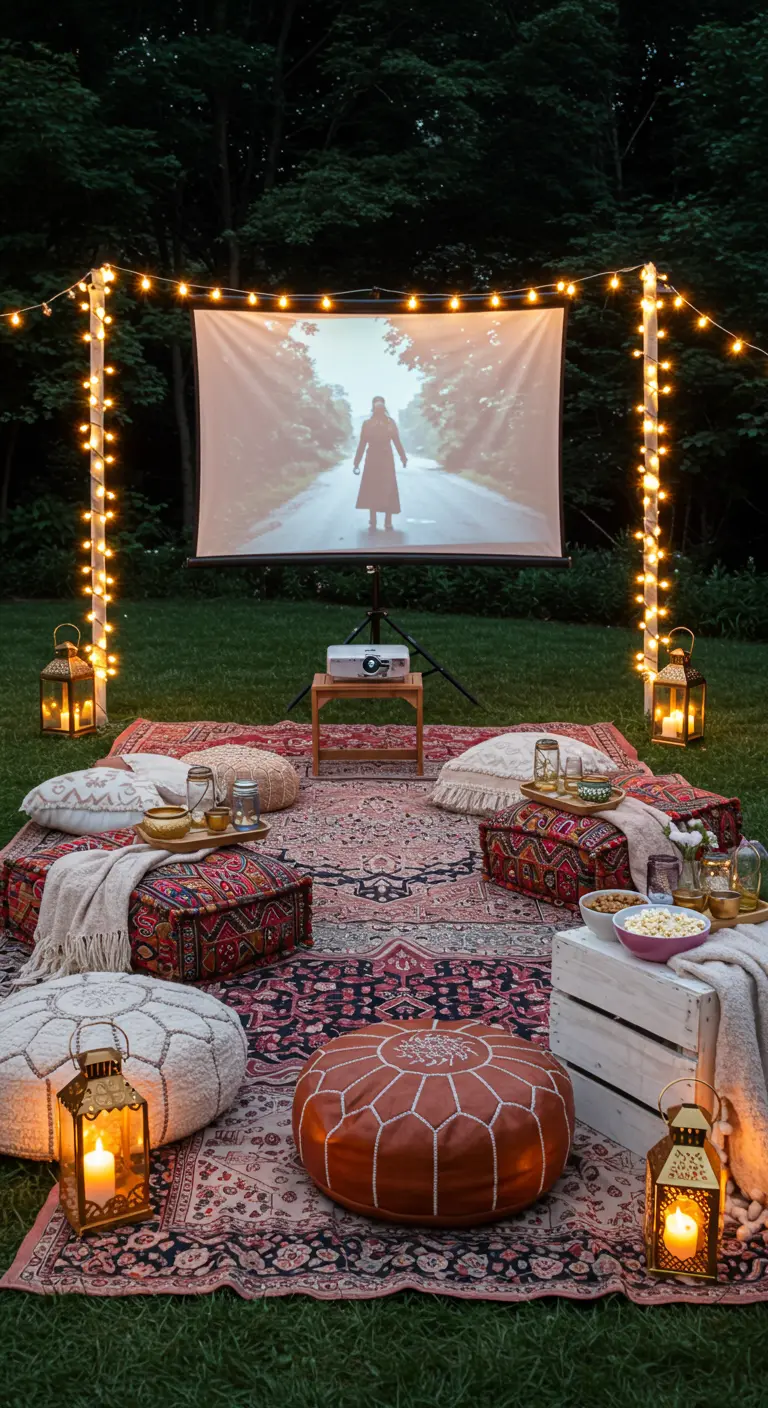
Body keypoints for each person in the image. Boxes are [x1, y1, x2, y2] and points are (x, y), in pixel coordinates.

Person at [353, 396, 407, 531]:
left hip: (384, 459)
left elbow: (396, 441)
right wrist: (356, 462)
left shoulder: (389, 423)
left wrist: (403, 457)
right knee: (374, 489)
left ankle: (385, 521)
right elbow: (362, 444)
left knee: (386, 489)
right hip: (374, 459)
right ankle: (374, 519)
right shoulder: (369, 424)